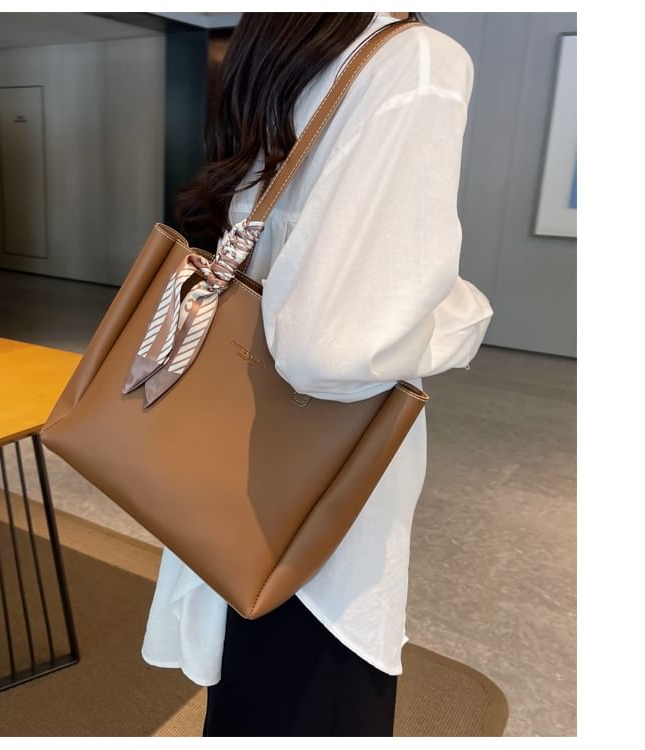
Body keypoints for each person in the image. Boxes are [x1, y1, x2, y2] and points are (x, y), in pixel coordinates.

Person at [140, 11, 494, 737]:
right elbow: (332, 349)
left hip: (240, 471)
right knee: (312, 695)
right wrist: (463, 316)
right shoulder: (415, 61)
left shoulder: (288, 45)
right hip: (320, 497)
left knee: (250, 694)